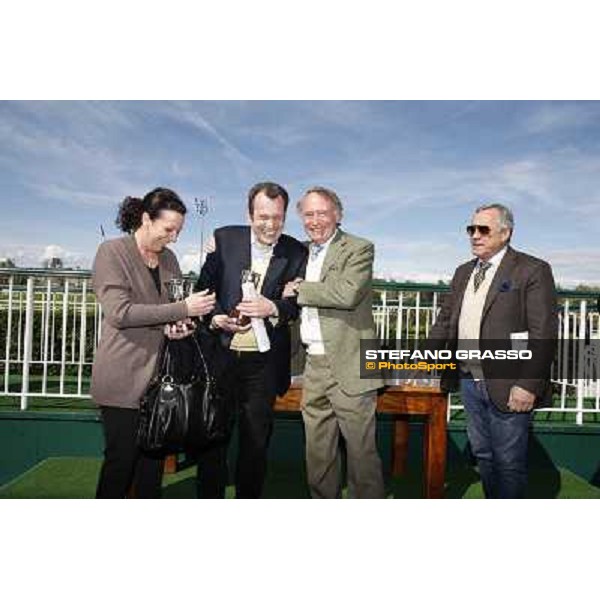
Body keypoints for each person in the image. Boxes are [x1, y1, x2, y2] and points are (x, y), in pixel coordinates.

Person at [91, 187, 216, 498]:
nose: (173, 237)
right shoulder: (112, 252)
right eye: (168, 229)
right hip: (121, 378)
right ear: (146, 219)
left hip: (161, 379)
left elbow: (168, 310)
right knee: (121, 462)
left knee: (153, 463)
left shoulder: (170, 258)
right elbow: (120, 313)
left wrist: (180, 325)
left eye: (178, 230)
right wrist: (182, 309)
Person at [428, 203, 557, 499]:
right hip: (468, 380)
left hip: (510, 382)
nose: (475, 235)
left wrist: (528, 385)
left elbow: (544, 333)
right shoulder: (463, 272)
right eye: (471, 229)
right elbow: (445, 321)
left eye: (483, 229)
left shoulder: (532, 269)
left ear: (505, 232)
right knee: (484, 456)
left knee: (508, 462)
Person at [194, 181, 307, 498]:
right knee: (213, 439)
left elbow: (295, 305)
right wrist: (215, 317)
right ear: (249, 215)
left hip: (264, 364)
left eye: (278, 217)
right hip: (220, 358)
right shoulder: (224, 239)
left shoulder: (297, 251)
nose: (271, 225)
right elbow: (204, 289)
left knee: (256, 443)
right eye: (263, 217)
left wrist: (273, 307)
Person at [284, 186, 385, 499]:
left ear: (337, 215)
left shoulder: (359, 247)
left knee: (361, 452)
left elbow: (347, 293)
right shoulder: (298, 252)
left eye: (322, 213)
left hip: (352, 360)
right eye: (308, 214)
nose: (315, 220)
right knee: (318, 451)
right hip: (313, 363)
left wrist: (300, 289)